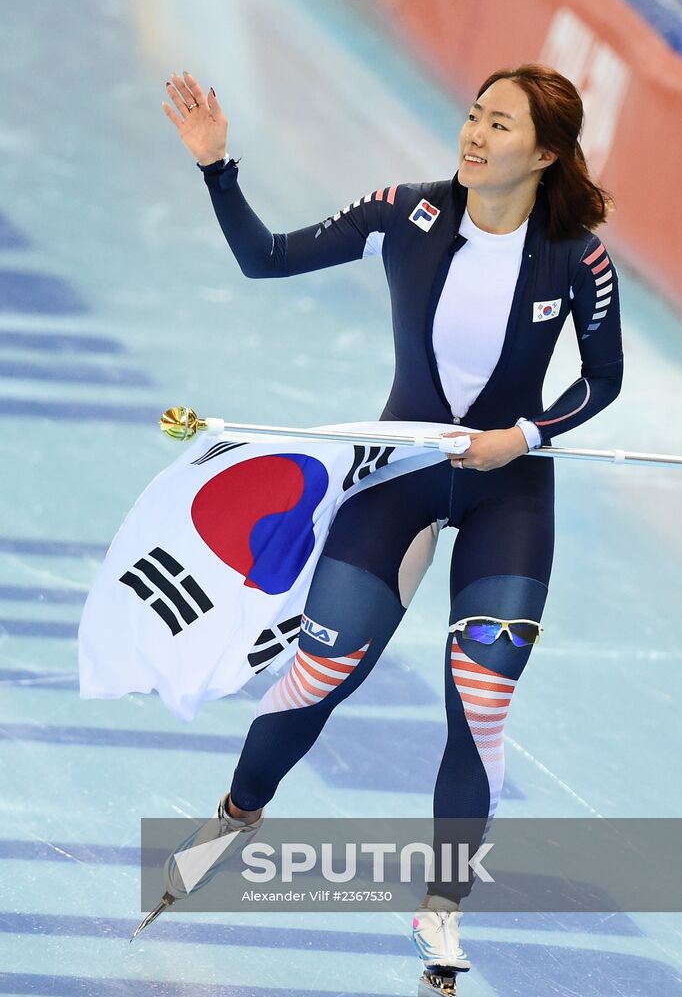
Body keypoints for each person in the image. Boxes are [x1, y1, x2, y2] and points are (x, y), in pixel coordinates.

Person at [155, 64, 623, 994]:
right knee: (320, 673)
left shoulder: (578, 255)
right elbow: (266, 258)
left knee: (480, 701)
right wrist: (216, 167)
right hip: (401, 477)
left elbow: (599, 381)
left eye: (500, 124)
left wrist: (519, 438)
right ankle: (233, 819)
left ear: (545, 154)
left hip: (508, 495)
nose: (475, 135)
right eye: (473, 114)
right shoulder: (405, 211)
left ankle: (440, 913)